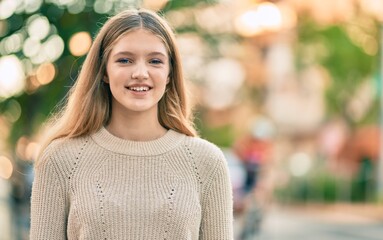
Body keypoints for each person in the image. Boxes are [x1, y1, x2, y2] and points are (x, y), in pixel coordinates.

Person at [30, 8, 233, 239]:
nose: (140, 73)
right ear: (104, 71)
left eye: (155, 61)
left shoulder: (207, 163)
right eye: (125, 60)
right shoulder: (59, 160)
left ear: (169, 74)